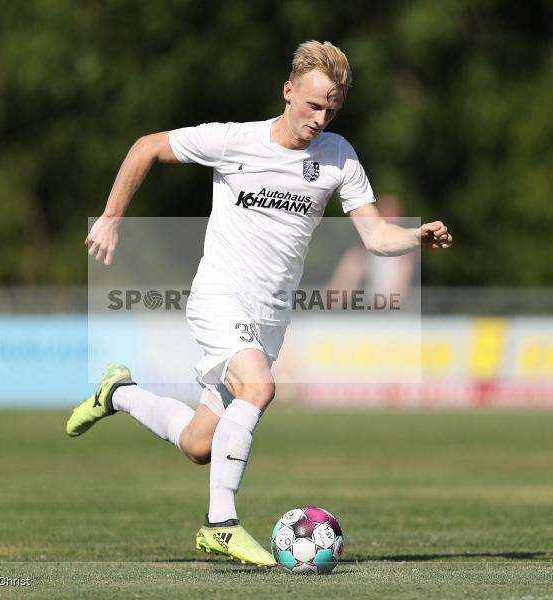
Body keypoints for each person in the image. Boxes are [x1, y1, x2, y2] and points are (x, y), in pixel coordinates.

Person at [67, 41, 453, 566]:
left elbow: (376, 235)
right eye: (314, 105)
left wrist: (415, 238)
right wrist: (112, 215)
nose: (321, 118)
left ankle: (119, 392)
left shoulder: (339, 156)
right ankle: (219, 524)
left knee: (200, 444)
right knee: (260, 388)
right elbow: (146, 146)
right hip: (219, 298)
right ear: (288, 91)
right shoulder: (233, 141)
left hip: (270, 318)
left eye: (332, 109)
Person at [327, 194, 417, 300]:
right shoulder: (359, 255)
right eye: (386, 215)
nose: (391, 220)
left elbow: (398, 295)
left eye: (394, 215)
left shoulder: (407, 256)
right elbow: (336, 294)